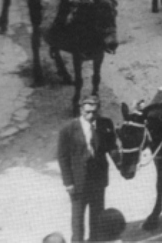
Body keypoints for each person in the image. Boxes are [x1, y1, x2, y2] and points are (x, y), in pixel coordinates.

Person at [57, 95, 119, 242]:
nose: (91, 116)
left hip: (98, 180)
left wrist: (123, 165)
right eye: (87, 112)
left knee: (97, 216)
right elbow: (63, 158)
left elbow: (112, 148)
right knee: (78, 219)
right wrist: (68, 183)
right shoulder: (68, 129)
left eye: (94, 112)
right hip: (78, 182)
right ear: (81, 110)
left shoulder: (105, 124)